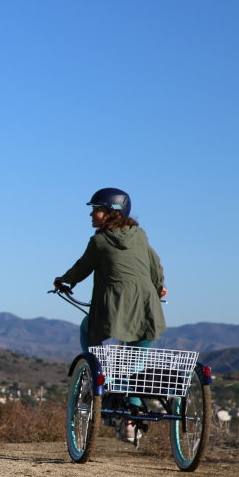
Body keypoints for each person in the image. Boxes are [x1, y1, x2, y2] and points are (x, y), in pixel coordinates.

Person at [52, 187, 167, 442]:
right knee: (134, 362)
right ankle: (131, 417)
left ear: (111, 212)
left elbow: (82, 267)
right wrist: (159, 286)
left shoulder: (99, 241)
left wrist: (64, 281)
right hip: (148, 308)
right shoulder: (139, 235)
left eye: (97, 209)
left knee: (86, 327)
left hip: (112, 309)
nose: (92, 214)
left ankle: (96, 374)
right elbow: (154, 263)